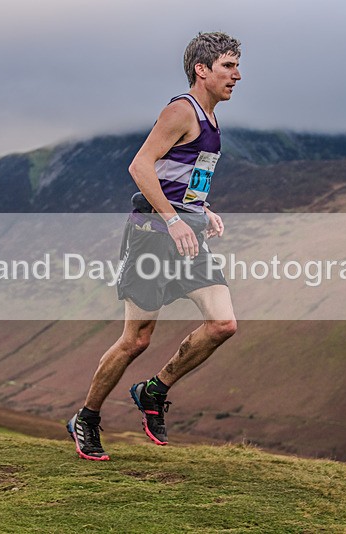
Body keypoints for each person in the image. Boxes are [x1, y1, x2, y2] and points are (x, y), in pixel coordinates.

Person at [67, 32, 242, 461]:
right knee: (136, 340)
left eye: (237, 66)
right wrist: (173, 218)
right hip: (151, 236)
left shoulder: (211, 118)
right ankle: (86, 418)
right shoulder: (181, 110)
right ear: (202, 70)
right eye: (228, 66)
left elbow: (178, 176)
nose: (237, 75)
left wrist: (203, 209)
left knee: (223, 325)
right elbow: (140, 165)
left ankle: (153, 389)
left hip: (187, 235)